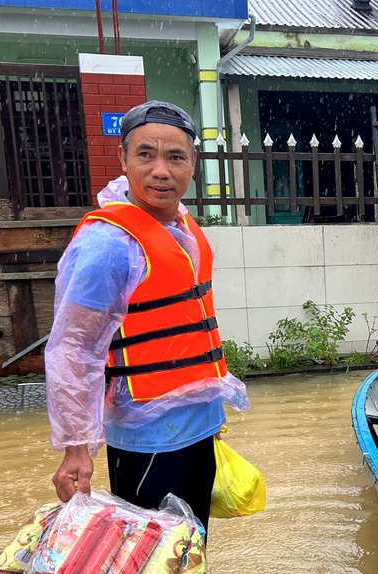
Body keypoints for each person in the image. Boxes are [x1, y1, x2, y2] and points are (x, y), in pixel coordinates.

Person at [46, 101, 249, 532]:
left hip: (198, 430)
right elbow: (72, 348)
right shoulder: (110, 245)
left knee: (188, 558)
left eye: (175, 157)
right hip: (146, 443)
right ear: (123, 159)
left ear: (193, 163)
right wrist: (77, 447)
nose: (161, 170)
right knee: (147, 571)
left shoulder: (184, 227)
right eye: (146, 155)